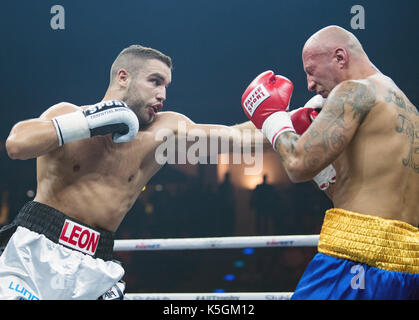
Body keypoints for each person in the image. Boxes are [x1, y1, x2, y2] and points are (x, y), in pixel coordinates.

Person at [1, 45, 263, 300]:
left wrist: (286, 121)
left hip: (96, 263)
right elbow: (17, 144)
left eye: (166, 86)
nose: (162, 95)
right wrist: (90, 122)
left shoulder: (163, 132)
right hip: (35, 251)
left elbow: (236, 137)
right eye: (155, 81)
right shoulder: (68, 114)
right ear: (123, 77)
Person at [241, 25, 419, 299]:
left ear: (340, 57)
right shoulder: (406, 107)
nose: (309, 84)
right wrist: (324, 170)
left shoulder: (354, 91)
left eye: (310, 71)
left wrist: (273, 119)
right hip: (408, 265)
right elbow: (350, 188)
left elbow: (298, 164)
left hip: (357, 257)